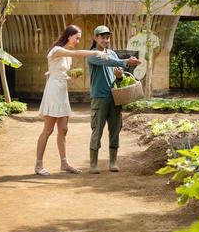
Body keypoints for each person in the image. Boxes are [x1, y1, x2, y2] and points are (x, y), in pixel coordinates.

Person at [35, 25, 108, 176]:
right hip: (53, 92)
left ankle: (64, 163)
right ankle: (38, 165)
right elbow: (77, 53)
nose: (78, 41)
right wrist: (96, 52)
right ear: (69, 36)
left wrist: (70, 77)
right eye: (77, 37)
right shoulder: (57, 50)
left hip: (62, 91)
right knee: (48, 130)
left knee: (63, 130)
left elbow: (60, 73)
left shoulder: (66, 56)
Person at [87, 25, 142, 173]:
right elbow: (108, 62)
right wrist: (125, 62)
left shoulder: (111, 53)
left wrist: (120, 76)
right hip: (99, 98)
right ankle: (93, 164)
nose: (105, 40)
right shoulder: (92, 54)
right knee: (97, 130)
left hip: (115, 97)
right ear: (95, 38)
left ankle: (112, 163)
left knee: (115, 129)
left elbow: (119, 75)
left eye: (107, 37)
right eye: (102, 37)